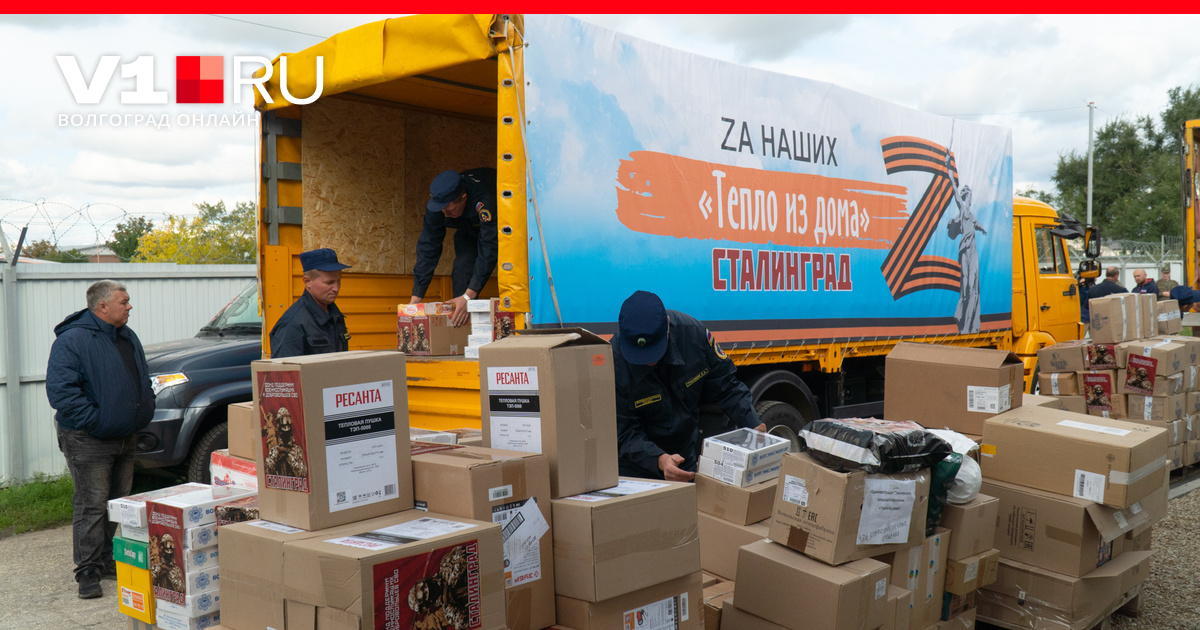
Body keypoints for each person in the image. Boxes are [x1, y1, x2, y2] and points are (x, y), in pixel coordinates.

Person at [46, 279, 155, 599]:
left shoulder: (127, 335)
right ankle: (87, 571)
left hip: (125, 434)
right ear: (102, 306)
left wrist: (143, 408)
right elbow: (62, 393)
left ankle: (107, 561)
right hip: (88, 438)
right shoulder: (72, 340)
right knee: (91, 505)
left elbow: (142, 377)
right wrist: (97, 421)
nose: (130, 306)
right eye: (124, 301)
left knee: (116, 502)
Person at [612, 290, 765, 481]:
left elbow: (726, 386)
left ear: (668, 326)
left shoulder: (693, 336)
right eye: (640, 357)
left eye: (654, 352)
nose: (649, 362)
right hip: (637, 468)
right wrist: (660, 460)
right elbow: (623, 431)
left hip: (683, 456)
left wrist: (753, 424)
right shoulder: (614, 362)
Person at [409, 168, 498, 327]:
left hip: (504, 227)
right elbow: (428, 247)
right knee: (462, 265)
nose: (445, 215)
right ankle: (464, 329)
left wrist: (469, 296)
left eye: (449, 211)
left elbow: (489, 247)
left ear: (463, 199)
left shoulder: (485, 200)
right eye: (442, 211)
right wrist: (416, 297)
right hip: (469, 227)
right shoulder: (439, 205)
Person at [270, 248, 351, 358]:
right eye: (329, 283)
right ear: (307, 281)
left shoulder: (335, 315)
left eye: (338, 281)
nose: (336, 288)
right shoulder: (292, 324)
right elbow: (285, 368)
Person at [945, 152, 986, 334]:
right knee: (967, 284)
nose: (968, 197)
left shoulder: (971, 214)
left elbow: (977, 224)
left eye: (967, 195)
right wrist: (948, 167)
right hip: (966, 248)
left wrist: (982, 228)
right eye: (967, 195)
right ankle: (963, 318)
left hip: (972, 250)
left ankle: (970, 322)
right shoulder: (962, 209)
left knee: (973, 285)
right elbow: (954, 189)